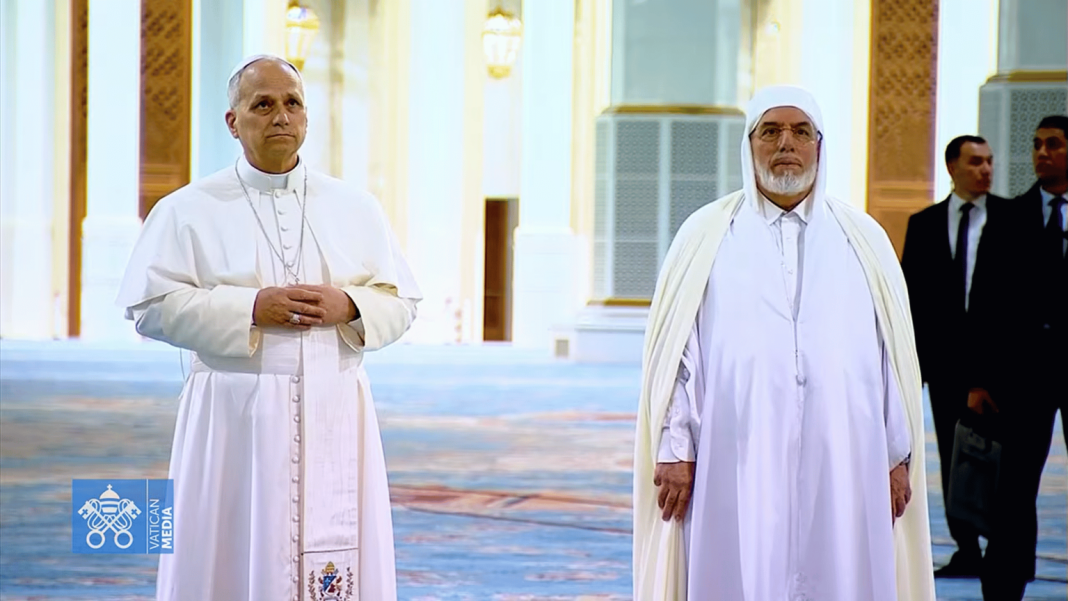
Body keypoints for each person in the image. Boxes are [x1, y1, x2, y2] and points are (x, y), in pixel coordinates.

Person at [115, 54, 420, 601]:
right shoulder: (187, 209)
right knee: (230, 547)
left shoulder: (356, 207)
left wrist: (349, 304)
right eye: (263, 104)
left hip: (336, 403)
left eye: (293, 103)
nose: (281, 116)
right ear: (234, 122)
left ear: (307, 116)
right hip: (234, 412)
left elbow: (401, 305)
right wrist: (250, 308)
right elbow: (150, 307)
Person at [632, 85, 935, 601]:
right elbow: (680, 357)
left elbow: (890, 361)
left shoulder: (862, 238)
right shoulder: (705, 235)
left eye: (800, 132)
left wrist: (894, 457)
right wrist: (675, 450)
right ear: (748, 145)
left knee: (844, 570)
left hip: (846, 453)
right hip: (737, 451)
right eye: (770, 131)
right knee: (740, 570)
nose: (785, 144)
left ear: (820, 145)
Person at [966, 115, 1067, 600]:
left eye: (1054, 144)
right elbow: (982, 301)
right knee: (1014, 488)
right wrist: (980, 380)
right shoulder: (1007, 217)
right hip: (1021, 378)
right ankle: (1004, 585)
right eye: (1037, 145)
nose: (1042, 153)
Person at [900, 135, 1006, 577]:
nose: (985, 170)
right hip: (944, 368)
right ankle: (966, 548)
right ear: (952, 167)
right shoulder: (924, 224)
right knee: (953, 458)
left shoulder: (1011, 219)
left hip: (1003, 368)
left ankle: (1003, 546)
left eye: (989, 162)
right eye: (976, 162)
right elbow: (911, 296)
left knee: (1004, 462)